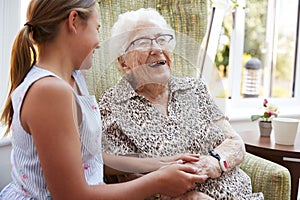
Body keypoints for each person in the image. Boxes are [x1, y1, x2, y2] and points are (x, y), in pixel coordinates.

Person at [0, 1, 208, 199]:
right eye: (97, 28)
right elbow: (72, 196)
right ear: (74, 21)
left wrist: (156, 164)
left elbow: (89, 160)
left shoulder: (74, 77)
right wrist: (158, 182)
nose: (99, 42)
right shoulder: (50, 91)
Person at [99, 8, 264, 199]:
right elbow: (130, 180)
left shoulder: (194, 88)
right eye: (143, 42)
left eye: (162, 40)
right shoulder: (113, 105)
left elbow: (235, 142)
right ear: (123, 63)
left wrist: (216, 162)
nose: (157, 49)